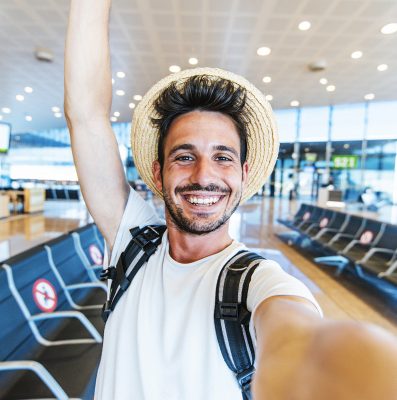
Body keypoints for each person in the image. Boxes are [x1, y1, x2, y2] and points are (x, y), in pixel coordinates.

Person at [64, 1, 397, 399]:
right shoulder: (130, 245)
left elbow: (301, 341)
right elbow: (85, 114)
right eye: (184, 156)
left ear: (242, 175)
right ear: (157, 173)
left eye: (222, 157)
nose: (203, 176)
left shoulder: (257, 283)